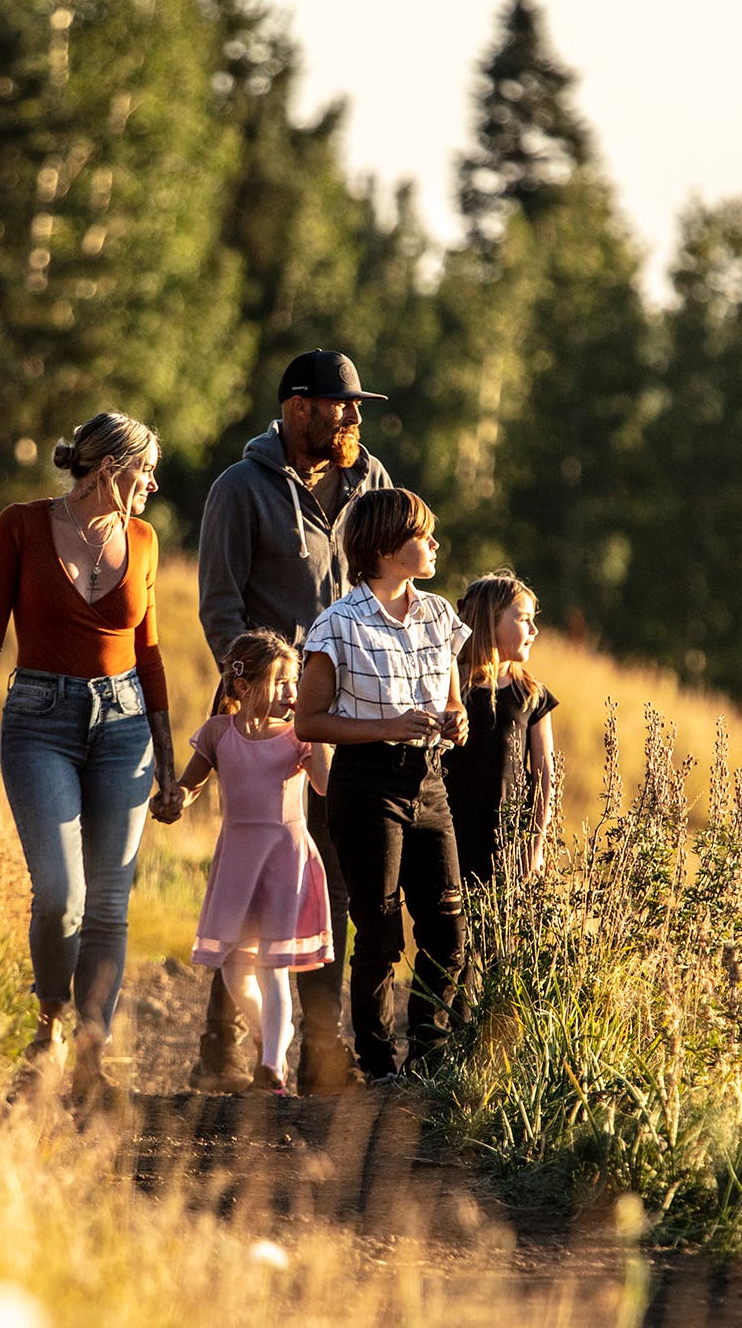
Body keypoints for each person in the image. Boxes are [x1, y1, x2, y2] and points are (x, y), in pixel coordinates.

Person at [0, 412, 183, 1104]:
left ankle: (90, 1057)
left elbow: (148, 652)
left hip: (124, 728)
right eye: (144, 471)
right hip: (39, 722)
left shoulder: (142, 540)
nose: (152, 484)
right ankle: (48, 1025)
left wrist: (169, 762)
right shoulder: (20, 525)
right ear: (110, 467)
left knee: (110, 903)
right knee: (61, 894)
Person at [191, 349, 394, 1093]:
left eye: (357, 405)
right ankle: (219, 1056)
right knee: (254, 887)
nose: (355, 416)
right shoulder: (239, 490)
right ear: (298, 407)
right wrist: (255, 700)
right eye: (343, 403)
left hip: (351, 720)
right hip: (271, 725)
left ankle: (322, 1055)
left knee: (328, 884)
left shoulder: (372, 482)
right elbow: (219, 604)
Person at [294, 488, 470, 1082]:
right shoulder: (336, 625)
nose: (434, 544)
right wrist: (387, 726)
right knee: (380, 930)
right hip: (367, 786)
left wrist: (458, 719)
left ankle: (430, 1056)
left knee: (447, 926)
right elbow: (308, 720)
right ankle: (378, 1064)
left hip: (431, 783)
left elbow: (451, 702)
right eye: (423, 535)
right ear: (386, 548)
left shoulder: (442, 614)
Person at [165, 629, 333, 1096]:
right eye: (281, 683)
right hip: (238, 861)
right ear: (242, 687)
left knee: (272, 966)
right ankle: (270, 1035)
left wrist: (317, 734)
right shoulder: (219, 732)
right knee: (235, 968)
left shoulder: (298, 736)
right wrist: (174, 797)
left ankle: (272, 1070)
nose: (292, 694)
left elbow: (322, 785)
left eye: (294, 684)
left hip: (284, 861)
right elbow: (190, 784)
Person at [445, 571, 560, 891]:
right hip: (451, 837)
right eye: (523, 619)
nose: (534, 630)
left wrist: (535, 848)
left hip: (509, 843)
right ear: (488, 621)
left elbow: (544, 776)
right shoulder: (448, 687)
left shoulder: (530, 693)